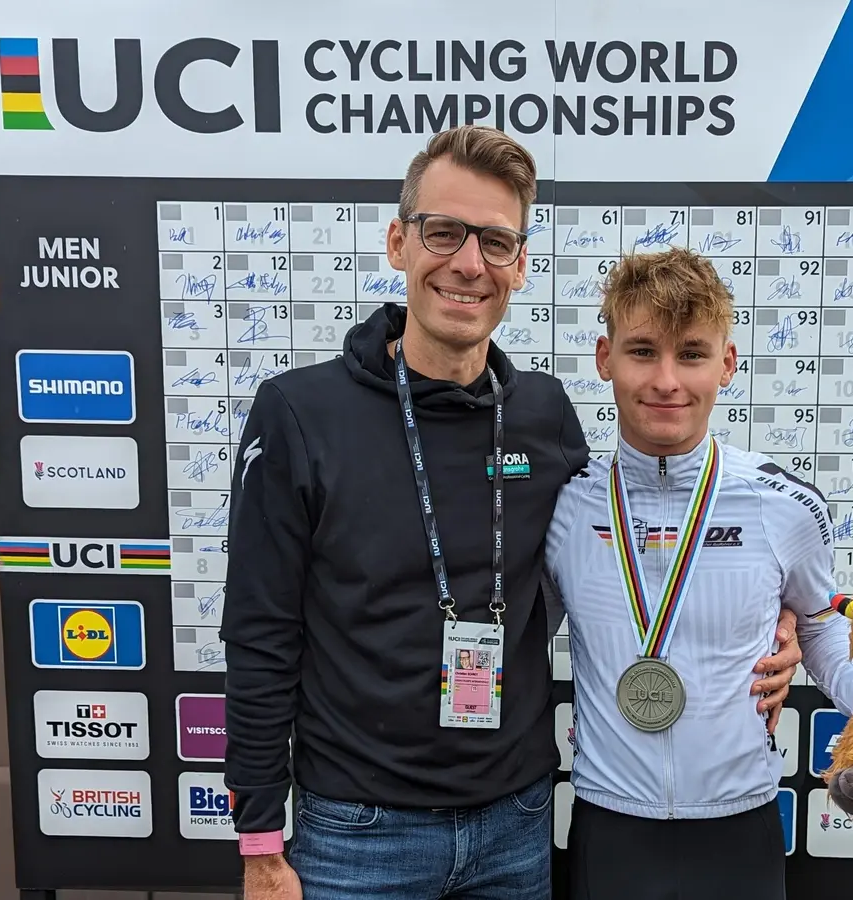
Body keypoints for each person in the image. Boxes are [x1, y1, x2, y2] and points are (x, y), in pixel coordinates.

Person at [219, 124, 805, 900]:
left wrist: (777, 617)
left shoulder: (543, 414)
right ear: (398, 242)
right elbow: (259, 633)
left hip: (515, 824)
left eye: (495, 241)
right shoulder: (300, 413)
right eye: (444, 232)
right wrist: (261, 843)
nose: (469, 263)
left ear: (520, 264)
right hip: (359, 835)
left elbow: (624, 548)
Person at [545, 248, 853, 900]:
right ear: (605, 358)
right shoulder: (563, 504)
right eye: (643, 352)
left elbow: (819, 623)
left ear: (727, 363)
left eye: (691, 354)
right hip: (610, 825)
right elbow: (521, 635)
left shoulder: (785, 504)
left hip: (740, 827)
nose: (667, 380)